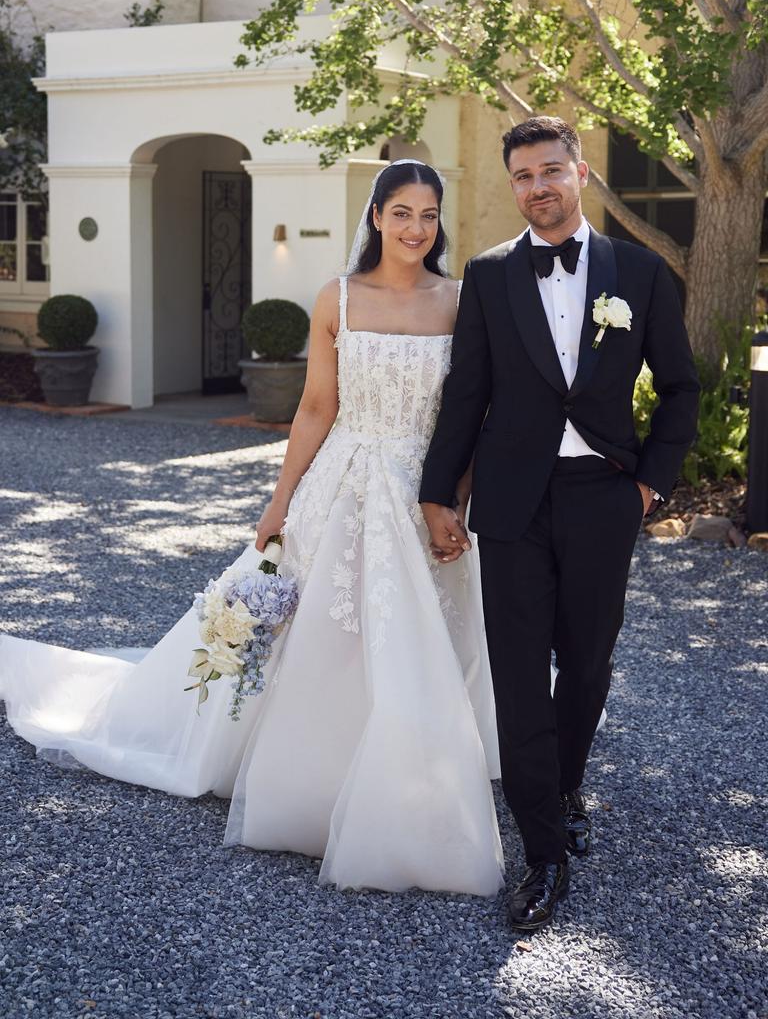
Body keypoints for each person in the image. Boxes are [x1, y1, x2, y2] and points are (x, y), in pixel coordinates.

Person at [0, 159, 504, 897]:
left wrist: (453, 495)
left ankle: (416, 770)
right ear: (375, 217)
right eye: (401, 213)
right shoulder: (338, 297)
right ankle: (313, 779)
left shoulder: (461, 301)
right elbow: (314, 408)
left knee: (421, 630)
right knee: (325, 634)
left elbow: (473, 412)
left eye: (429, 215)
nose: (416, 229)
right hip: (344, 481)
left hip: (424, 492)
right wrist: (280, 501)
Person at [420, 117, 700, 931]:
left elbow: (680, 388)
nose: (538, 187)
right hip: (511, 500)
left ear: (580, 172)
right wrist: (442, 495)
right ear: (512, 186)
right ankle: (541, 851)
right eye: (523, 176)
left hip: (604, 495)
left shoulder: (640, 274)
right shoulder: (488, 275)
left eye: (551, 171)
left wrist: (650, 482)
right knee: (516, 671)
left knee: (586, 663)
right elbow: (465, 394)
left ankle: (566, 780)